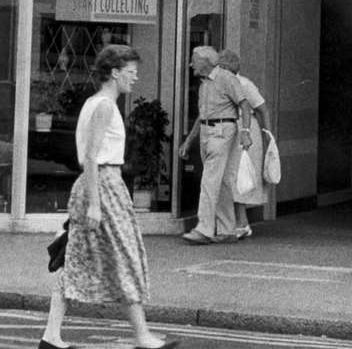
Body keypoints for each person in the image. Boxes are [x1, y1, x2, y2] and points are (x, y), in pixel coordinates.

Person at [37, 44, 177, 349]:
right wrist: (96, 204)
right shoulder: (104, 106)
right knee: (125, 257)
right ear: (114, 73)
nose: (135, 78)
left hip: (97, 185)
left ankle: (51, 336)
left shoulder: (93, 103)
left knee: (73, 260)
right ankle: (141, 336)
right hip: (103, 184)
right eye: (131, 72)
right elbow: (90, 156)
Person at [178, 45, 251, 244]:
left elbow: (244, 104)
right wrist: (189, 141)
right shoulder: (204, 84)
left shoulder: (226, 78)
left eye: (194, 60)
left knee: (209, 180)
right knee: (223, 181)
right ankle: (227, 229)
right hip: (207, 131)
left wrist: (245, 132)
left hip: (222, 131)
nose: (191, 64)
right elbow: (202, 117)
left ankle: (204, 229)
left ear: (206, 62)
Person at [217, 48, 269, 239]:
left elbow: (263, 110)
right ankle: (237, 222)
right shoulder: (220, 83)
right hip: (229, 131)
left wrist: (267, 135)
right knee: (229, 177)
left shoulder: (245, 84)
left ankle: (241, 222)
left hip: (244, 132)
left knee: (237, 176)